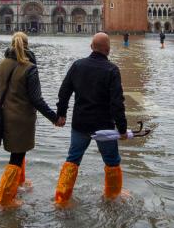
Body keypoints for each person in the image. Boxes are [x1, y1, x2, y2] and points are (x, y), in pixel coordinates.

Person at [53, 32, 128, 205]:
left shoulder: (78, 65)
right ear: (108, 50)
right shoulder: (112, 70)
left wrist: (61, 114)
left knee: (72, 159)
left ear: (91, 47)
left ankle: (61, 198)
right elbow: (117, 103)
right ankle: (112, 196)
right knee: (112, 162)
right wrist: (122, 129)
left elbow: (64, 92)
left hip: (80, 124)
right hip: (104, 127)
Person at [0, 32, 63, 207]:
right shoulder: (29, 67)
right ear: (27, 46)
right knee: (16, 157)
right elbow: (37, 99)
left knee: (17, 153)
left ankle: (19, 184)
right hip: (22, 120)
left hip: (5, 116)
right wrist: (54, 118)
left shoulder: (0, 65)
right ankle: (5, 199)